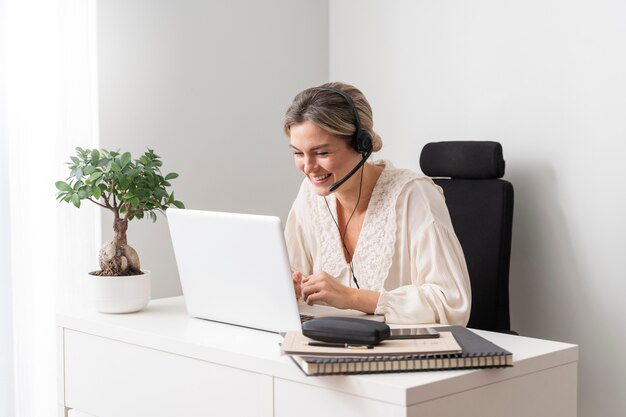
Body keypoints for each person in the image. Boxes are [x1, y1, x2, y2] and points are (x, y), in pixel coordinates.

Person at [282, 82, 471, 325]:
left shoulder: (414, 195)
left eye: (321, 153)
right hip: (330, 342)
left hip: (399, 353)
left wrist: (352, 297)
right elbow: (290, 272)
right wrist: (290, 287)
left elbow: (451, 302)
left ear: (363, 145)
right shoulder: (310, 194)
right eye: (298, 153)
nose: (308, 168)